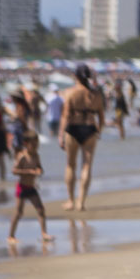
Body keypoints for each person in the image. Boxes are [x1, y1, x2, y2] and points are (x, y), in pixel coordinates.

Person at [59, 64, 105, 212]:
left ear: (75, 76)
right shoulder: (97, 95)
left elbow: (65, 116)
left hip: (73, 128)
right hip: (90, 129)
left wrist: (60, 135)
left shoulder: (70, 93)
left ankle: (71, 201)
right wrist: (99, 131)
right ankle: (81, 202)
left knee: (70, 165)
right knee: (86, 165)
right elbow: (102, 117)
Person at [7, 129, 51, 245]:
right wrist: (29, 172)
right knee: (18, 213)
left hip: (32, 188)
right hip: (22, 187)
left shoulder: (36, 156)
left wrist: (39, 171)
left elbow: (40, 168)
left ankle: (44, 233)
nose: (36, 146)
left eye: (37, 144)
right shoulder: (22, 156)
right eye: (34, 144)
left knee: (41, 210)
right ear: (26, 144)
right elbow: (14, 171)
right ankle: (11, 236)